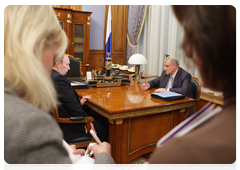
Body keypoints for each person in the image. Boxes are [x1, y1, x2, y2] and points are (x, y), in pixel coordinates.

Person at [4, 5, 115, 170]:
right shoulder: (27, 124)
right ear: (37, 48)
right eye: (53, 51)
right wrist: (105, 157)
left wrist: (60, 152)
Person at [141, 5, 237, 170]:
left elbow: (185, 92)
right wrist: (149, 84)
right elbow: (157, 80)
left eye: (192, 38)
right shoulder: (164, 73)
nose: (188, 52)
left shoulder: (177, 155)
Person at [51, 54, 109, 143]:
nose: (69, 68)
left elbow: (66, 102)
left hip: (61, 117)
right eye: (67, 64)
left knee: (94, 117)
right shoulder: (59, 79)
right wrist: (86, 120)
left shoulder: (51, 75)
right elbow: (72, 107)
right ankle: (98, 154)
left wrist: (79, 103)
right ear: (58, 64)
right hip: (68, 126)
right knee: (105, 128)